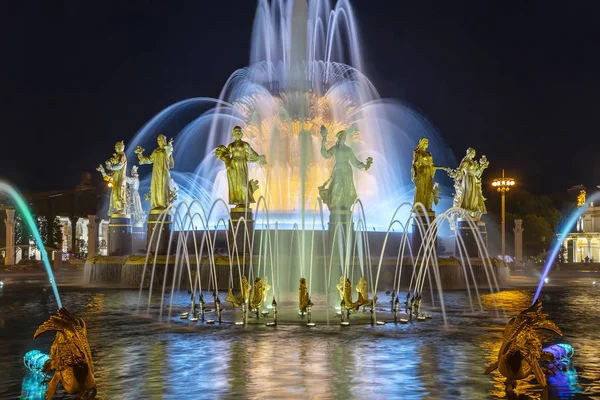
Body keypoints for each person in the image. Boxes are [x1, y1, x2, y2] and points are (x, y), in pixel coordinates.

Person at [318, 125, 372, 210]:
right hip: (338, 169)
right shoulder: (335, 148)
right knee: (337, 185)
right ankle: (335, 204)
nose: (344, 138)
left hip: (347, 169)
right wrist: (323, 141)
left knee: (347, 186)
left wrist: (364, 166)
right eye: (342, 136)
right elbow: (326, 155)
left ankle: (345, 206)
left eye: (345, 136)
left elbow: (354, 161)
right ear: (339, 138)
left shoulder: (348, 150)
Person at [215, 126, 267, 207]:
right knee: (236, 184)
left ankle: (244, 200)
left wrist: (258, 157)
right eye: (236, 132)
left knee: (243, 183)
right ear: (233, 134)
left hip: (242, 164)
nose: (238, 133)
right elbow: (227, 155)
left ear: (241, 134)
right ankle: (238, 202)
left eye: (239, 132)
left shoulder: (245, 144)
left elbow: (252, 153)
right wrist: (222, 154)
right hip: (233, 165)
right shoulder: (231, 146)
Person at [135, 134, 174, 210]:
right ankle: (157, 204)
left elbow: (170, 150)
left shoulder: (166, 150)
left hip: (164, 172)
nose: (159, 142)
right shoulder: (156, 151)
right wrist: (140, 154)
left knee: (164, 187)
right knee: (155, 187)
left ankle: (164, 204)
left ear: (163, 141)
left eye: (160, 140)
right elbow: (149, 159)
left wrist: (169, 144)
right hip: (156, 172)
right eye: (158, 140)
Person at [411, 138, 446, 212]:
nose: (427, 143)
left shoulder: (429, 154)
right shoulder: (417, 153)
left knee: (428, 190)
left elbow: (432, 165)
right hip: (421, 174)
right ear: (422, 143)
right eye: (425, 142)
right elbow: (415, 164)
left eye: (428, 142)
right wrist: (415, 175)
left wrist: (442, 167)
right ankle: (419, 208)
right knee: (421, 190)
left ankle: (427, 207)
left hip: (428, 174)